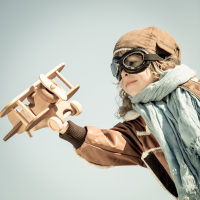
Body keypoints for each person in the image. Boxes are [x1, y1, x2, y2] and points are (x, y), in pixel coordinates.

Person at [37, 26, 200, 199]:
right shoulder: (140, 128)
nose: (124, 73)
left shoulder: (195, 93)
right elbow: (108, 145)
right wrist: (62, 125)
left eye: (132, 63)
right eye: (117, 69)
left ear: (160, 61)